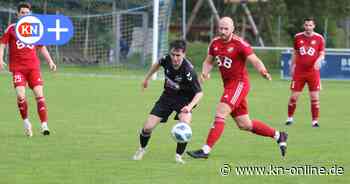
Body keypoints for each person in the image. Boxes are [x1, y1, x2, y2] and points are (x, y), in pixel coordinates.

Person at [186, 17, 288, 159]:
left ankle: (205, 150)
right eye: (220, 28)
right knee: (244, 124)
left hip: (239, 84)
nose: (222, 31)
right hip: (229, 86)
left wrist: (263, 71)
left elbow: (255, 60)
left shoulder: (240, 44)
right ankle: (279, 135)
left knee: (220, 113)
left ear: (232, 29)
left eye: (226, 28)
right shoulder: (214, 43)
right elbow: (208, 61)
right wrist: (205, 72)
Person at [132, 40, 203, 164]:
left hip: (184, 101)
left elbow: (199, 93)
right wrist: (146, 78)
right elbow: (157, 64)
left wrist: (189, 106)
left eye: (178, 55)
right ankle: (142, 149)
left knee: (185, 124)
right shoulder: (166, 59)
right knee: (147, 127)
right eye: (173, 54)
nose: (175, 58)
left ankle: (178, 156)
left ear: (184, 54)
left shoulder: (188, 71)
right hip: (167, 97)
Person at [0, 2, 57, 137]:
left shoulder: (34, 29)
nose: (25, 15)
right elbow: (2, 44)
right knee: (21, 95)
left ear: (30, 14)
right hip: (18, 69)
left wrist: (50, 61)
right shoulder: (12, 29)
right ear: (18, 14)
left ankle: (44, 125)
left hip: (33, 68)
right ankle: (26, 123)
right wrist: (0, 59)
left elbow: (41, 46)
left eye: (27, 12)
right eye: (22, 12)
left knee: (39, 95)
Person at [285, 18, 325, 127]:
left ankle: (315, 121)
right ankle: (289, 118)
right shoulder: (298, 37)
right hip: (299, 72)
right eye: (306, 25)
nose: (308, 27)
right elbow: (295, 53)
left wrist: (318, 60)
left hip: (313, 73)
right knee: (294, 97)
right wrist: (291, 66)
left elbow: (322, 54)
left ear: (314, 26)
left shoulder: (319, 38)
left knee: (314, 97)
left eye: (310, 25)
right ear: (304, 26)